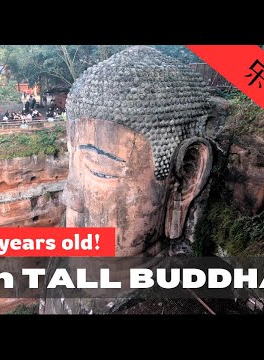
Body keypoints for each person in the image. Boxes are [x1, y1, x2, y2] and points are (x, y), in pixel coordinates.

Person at [40, 45, 213, 314]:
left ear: (187, 176)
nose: (69, 196)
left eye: (99, 171)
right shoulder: (62, 262)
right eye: (72, 164)